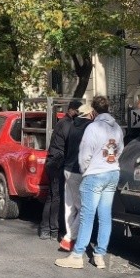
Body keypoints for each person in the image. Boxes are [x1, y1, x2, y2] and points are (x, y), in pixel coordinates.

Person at [55, 96, 124, 269]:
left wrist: (87, 171)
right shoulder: (117, 128)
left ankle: (77, 255)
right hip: (112, 172)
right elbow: (120, 150)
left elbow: (84, 155)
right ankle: (100, 255)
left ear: (93, 111)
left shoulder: (93, 128)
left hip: (95, 173)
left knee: (87, 215)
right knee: (105, 216)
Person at [39, 100, 81, 240]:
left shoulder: (62, 122)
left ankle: (46, 230)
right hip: (58, 163)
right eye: (77, 111)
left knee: (51, 197)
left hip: (52, 161)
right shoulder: (68, 124)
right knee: (57, 197)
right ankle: (54, 230)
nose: (78, 114)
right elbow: (70, 145)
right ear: (71, 110)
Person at [59, 103, 94, 252]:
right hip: (79, 171)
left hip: (67, 169)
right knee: (84, 208)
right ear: (90, 114)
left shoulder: (72, 125)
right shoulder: (90, 128)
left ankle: (69, 236)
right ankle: (70, 238)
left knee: (70, 206)